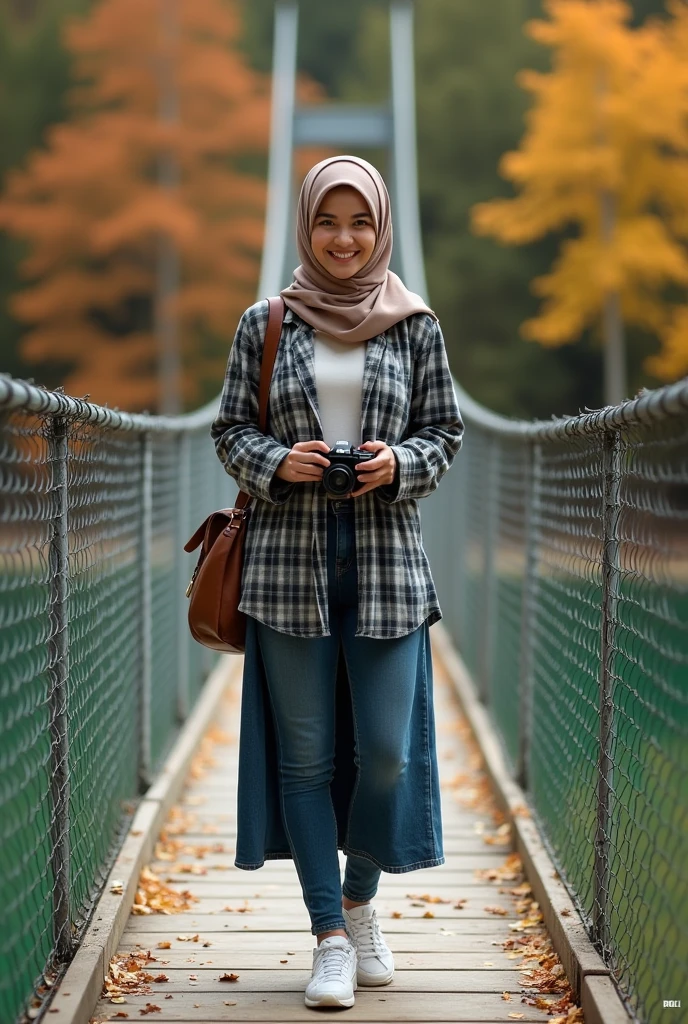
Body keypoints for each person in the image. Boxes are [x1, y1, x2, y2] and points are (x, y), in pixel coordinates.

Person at [210, 155, 464, 1010]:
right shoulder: (265, 321)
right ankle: (326, 937)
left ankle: (360, 904)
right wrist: (280, 461)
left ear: (381, 226)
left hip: (389, 559)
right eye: (328, 222)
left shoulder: (416, 324)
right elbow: (229, 431)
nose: (344, 238)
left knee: (387, 755)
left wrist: (398, 462)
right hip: (287, 563)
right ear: (307, 227)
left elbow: (446, 433)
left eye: (360, 222)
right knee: (308, 758)